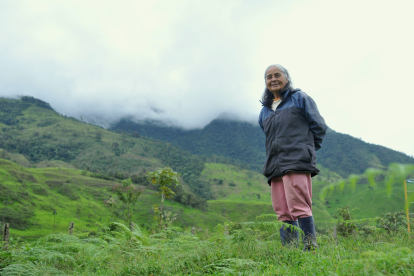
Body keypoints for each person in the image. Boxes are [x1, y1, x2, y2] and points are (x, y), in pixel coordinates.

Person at [258, 64, 327, 251]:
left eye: (277, 75)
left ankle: (310, 248)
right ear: (266, 82)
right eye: (269, 77)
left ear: (286, 78)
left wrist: (308, 149)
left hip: (297, 160)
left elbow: (319, 126)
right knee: (282, 210)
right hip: (275, 165)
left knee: (299, 205)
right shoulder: (264, 110)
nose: (273, 79)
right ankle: (289, 251)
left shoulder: (299, 98)